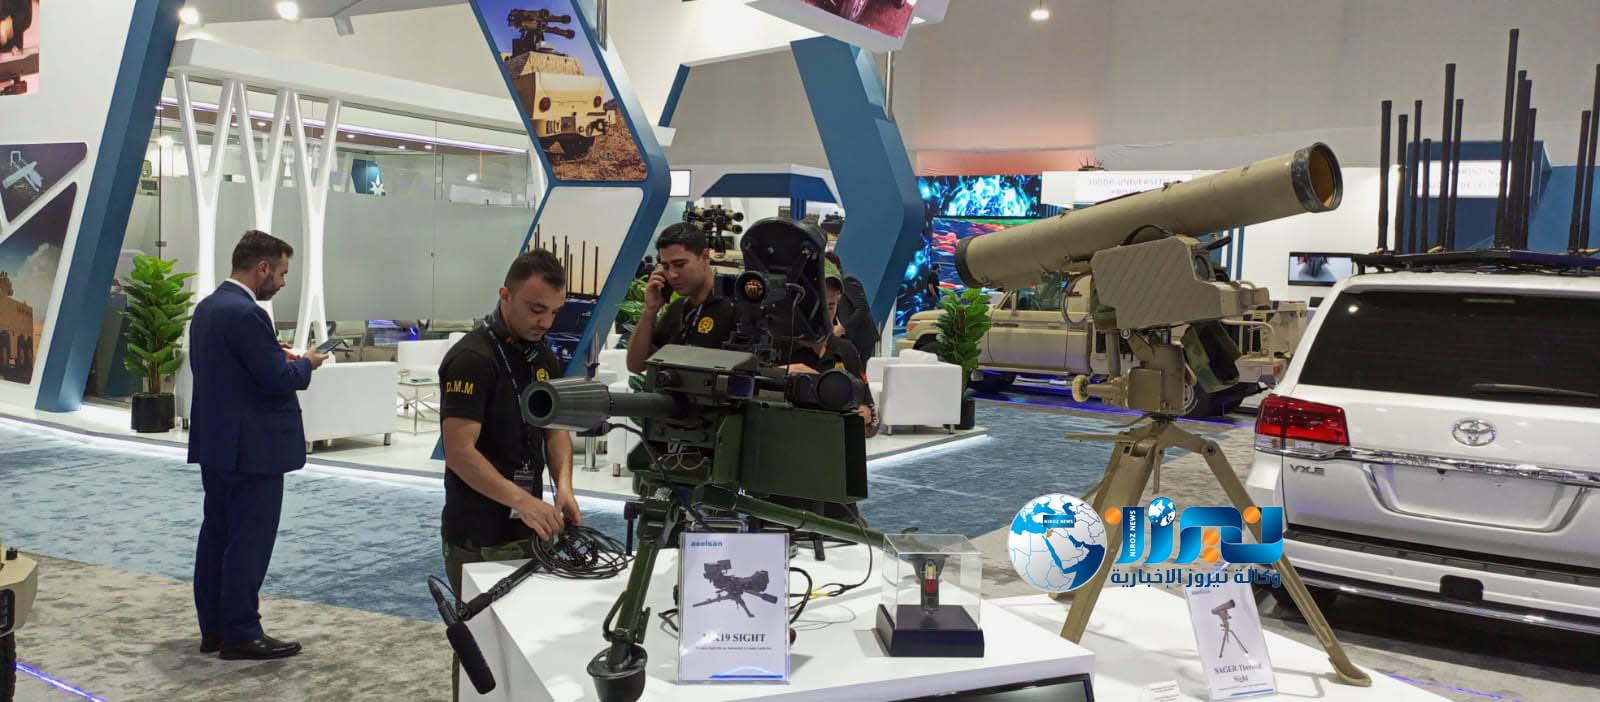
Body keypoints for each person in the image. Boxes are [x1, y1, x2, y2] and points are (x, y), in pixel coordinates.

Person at [438, 249, 579, 699]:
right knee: (481, 651)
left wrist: (564, 487)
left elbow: (556, 430)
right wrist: (522, 500)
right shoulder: (472, 358)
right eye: (536, 309)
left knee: (528, 645)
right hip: (478, 530)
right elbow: (460, 452)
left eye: (553, 312)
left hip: (529, 527)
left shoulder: (542, 355)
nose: (545, 322)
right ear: (505, 295)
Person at [189, 230, 328, 660]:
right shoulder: (248, 314)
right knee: (248, 542)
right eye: (282, 273)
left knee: (217, 535)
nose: (283, 282)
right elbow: (277, 380)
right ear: (262, 267)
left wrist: (272, 353)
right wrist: (307, 363)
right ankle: (241, 632)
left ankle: (215, 629)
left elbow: (231, 372)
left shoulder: (208, 308)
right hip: (253, 451)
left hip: (217, 445)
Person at [625, 224, 735, 374]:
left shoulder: (734, 308)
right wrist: (650, 310)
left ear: (705, 257)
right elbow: (636, 365)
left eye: (680, 265)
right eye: (665, 266)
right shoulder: (677, 309)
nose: (672, 275)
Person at [824, 251, 880, 362]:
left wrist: (843, 327)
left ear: (835, 266)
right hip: (851, 339)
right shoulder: (832, 286)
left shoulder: (847, 281)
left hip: (863, 339)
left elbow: (863, 308)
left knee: (861, 369)